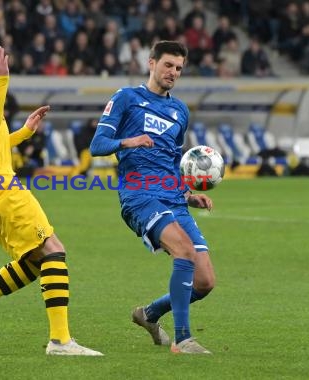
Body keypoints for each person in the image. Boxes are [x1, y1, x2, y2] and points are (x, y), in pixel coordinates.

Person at [0, 21, 102, 356]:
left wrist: (24, 132)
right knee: (53, 250)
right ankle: (60, 341)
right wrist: (2, 83)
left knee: (34, 259)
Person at [90, 40, 215, 354]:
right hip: (139, 196)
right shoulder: (126, 98)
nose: (173, 72)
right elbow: (98, 144)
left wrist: (187, 194)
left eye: (179, 68)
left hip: (172, 197)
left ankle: (149, 314)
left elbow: (173, 160)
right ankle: (183, 339)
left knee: (204, 282)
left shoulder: (179, 111)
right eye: (168, 65)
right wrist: (129, 141)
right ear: (152, 63)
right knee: (184, 252)